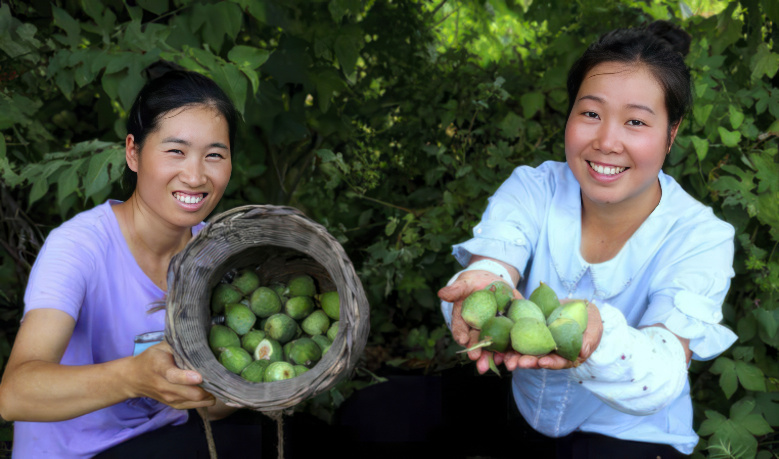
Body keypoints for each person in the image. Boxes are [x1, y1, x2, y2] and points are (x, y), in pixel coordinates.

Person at [438, 21, 737, 458]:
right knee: (370, 417)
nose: (607, 141)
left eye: (636, 121)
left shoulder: (701, 237)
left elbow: (664, 371)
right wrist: (482, 283)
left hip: (632, 437)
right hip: (520, 408)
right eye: (591, 114)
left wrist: (601, 337)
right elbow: (495, 261)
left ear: (671, 134)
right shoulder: (534, 189)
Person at [0, 68, 257, 458]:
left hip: (165, 440)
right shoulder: (79, 246)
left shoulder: (215, 253)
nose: (195, 176)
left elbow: (213, 405)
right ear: (133, 152)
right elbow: (14, 394)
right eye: (176, 151)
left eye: (214, 155)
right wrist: (134, 377)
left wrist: (255, 380)